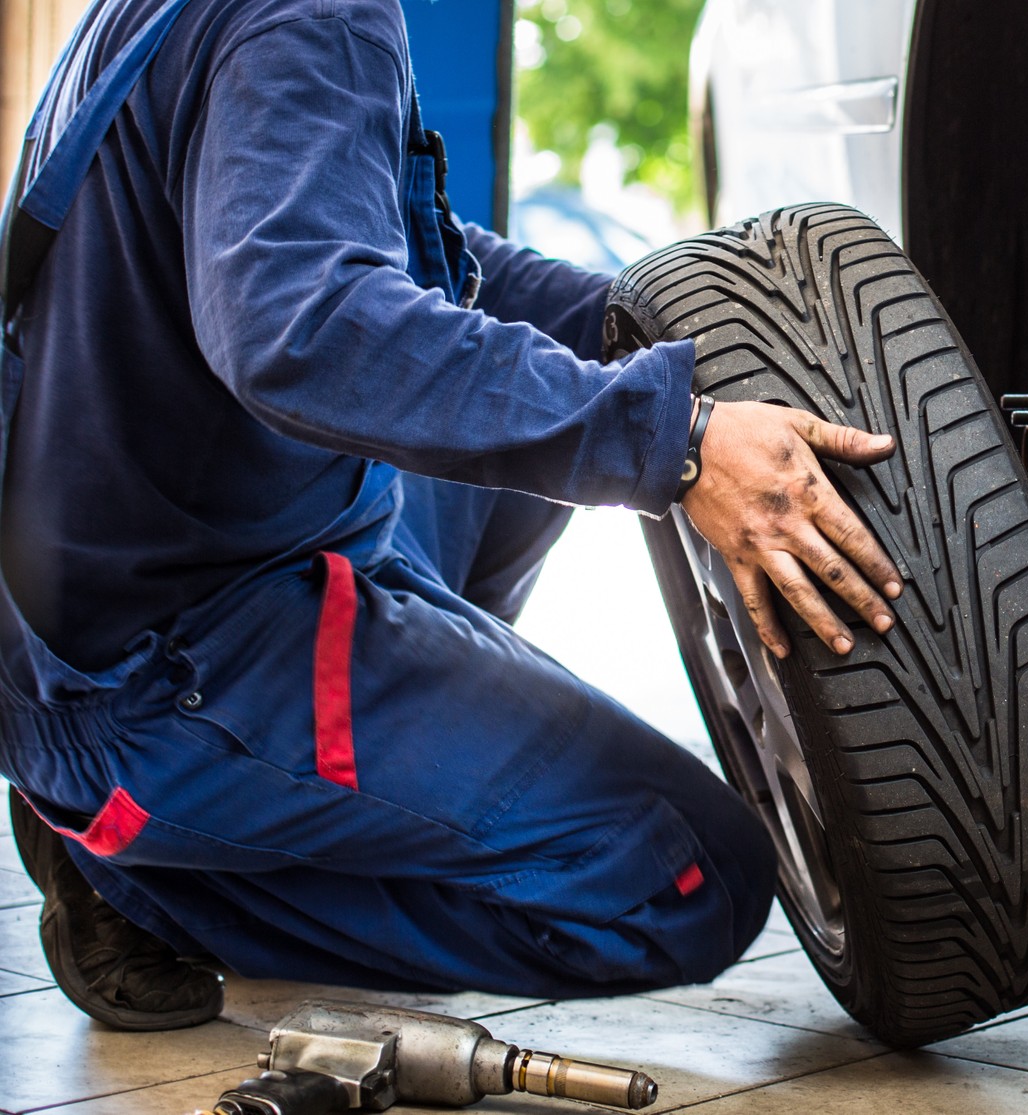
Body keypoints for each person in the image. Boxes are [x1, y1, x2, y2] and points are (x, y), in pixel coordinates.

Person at [0, 0, 902, 1030]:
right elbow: (305, 328)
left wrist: (644, 331)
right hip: (168, 664)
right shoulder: (316, 13)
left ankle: (346, 784)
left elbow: (401, 252)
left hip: (124, 589)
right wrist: (677, 444)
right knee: (693, 876)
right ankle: (137, 868)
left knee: (506, 444)